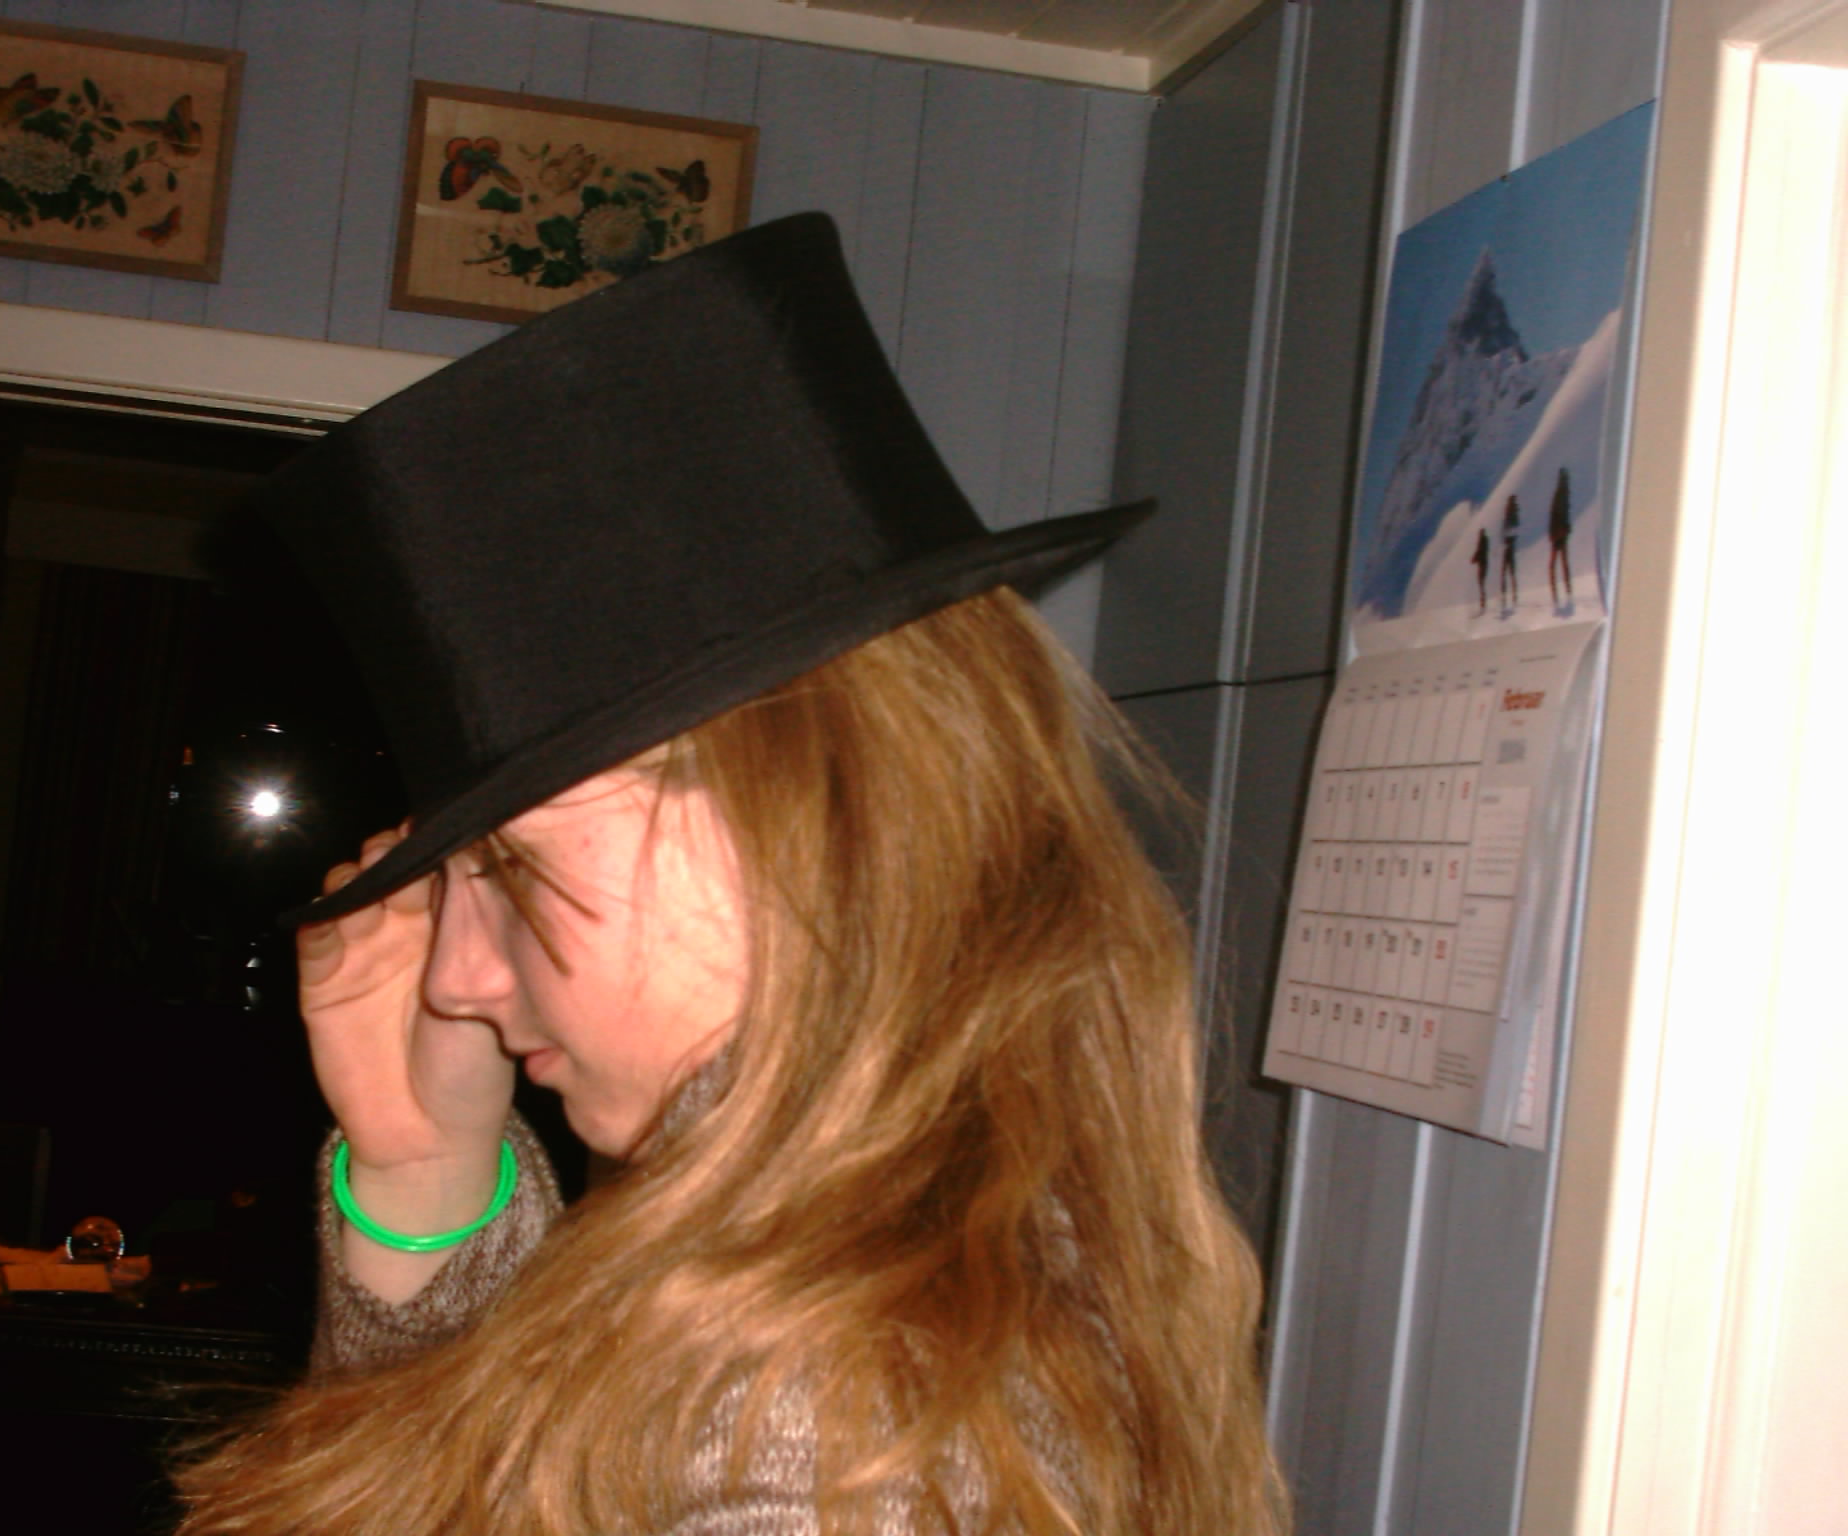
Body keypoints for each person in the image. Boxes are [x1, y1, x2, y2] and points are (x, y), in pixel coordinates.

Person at [175, 214, 1283, 1536]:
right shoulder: (936, 1270)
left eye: (512, 865)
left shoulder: (827, 1460)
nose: (460, 980)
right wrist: (422, 1169)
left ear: (799, 813)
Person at [1547, 466, 1573, 605]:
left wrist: (1553, 533)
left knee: (1554, 565)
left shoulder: (1560, 494)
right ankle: (1567, 591)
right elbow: (1559, 514)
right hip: (1561, 534)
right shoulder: (1564, 494)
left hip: (1558, 535)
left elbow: (1554, 514)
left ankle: (1556, 593)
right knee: (1563, 564)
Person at [1499, 494, 1521, 609]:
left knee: (1506, 571)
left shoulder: (1511, 515)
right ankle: (1512, 595)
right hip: (1509, 545)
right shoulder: (1513, 514)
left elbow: (1509, 530)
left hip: (1508, 546)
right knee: (1510, 572)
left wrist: (1507, 538)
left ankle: (1508, 595)